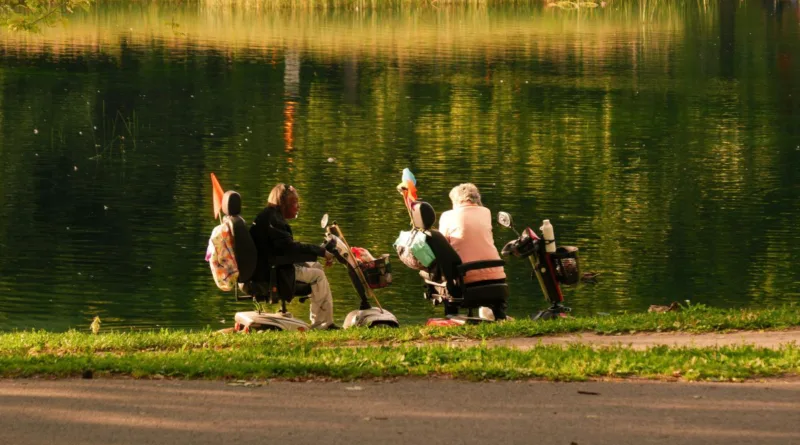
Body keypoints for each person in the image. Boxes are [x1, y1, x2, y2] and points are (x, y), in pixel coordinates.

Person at [249, 183, 338, 330]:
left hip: (272, 266)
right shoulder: (275, 221)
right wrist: (320, 252)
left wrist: (316, 254)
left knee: (316, 266)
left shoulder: (270, 216)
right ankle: (323, 324)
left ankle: (322, 320)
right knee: (318, 276)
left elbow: (286, 249)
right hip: (274, 272)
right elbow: (290, 249)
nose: (298, 206)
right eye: (295, 202)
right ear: (283, 204)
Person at [437, 183, 508, 320]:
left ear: (456, 201)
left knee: (442, 268)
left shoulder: (447, 216)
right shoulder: (486, 212)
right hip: (498, 277)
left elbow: (443, 246)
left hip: (466, 280)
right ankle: (499, 315)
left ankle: (452, 314)